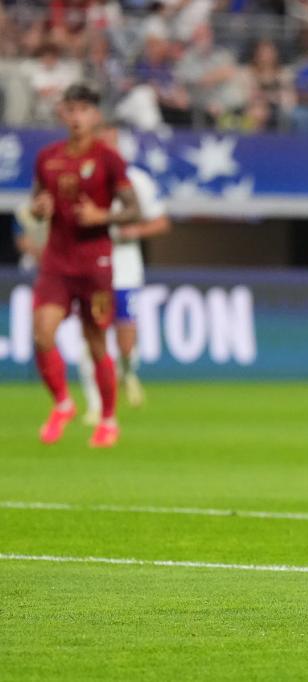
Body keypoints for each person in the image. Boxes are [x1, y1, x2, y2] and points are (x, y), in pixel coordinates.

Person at [30, 83, 141, 448]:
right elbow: (36, 200)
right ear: (63, 113)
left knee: (95, 343)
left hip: (96, 263)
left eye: (83, 110)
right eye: (70, 109)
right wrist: (38, 209)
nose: (76, 116)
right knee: (42, 334)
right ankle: (63, 403)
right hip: (57, 262)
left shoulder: (109, 159)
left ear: (95, 115)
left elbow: (134, 210)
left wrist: (101, 215)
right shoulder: (47, 157)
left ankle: (108, 419)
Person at [79, 124, 171, 425]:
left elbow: (161, 222)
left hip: (126, 269)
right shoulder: (84, 177)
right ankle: (95, 404)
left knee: (125, 338)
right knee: (92, 335)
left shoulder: (137, 181)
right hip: (92, 269)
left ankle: (128, 370)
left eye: (112, 142)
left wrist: (136, 230)